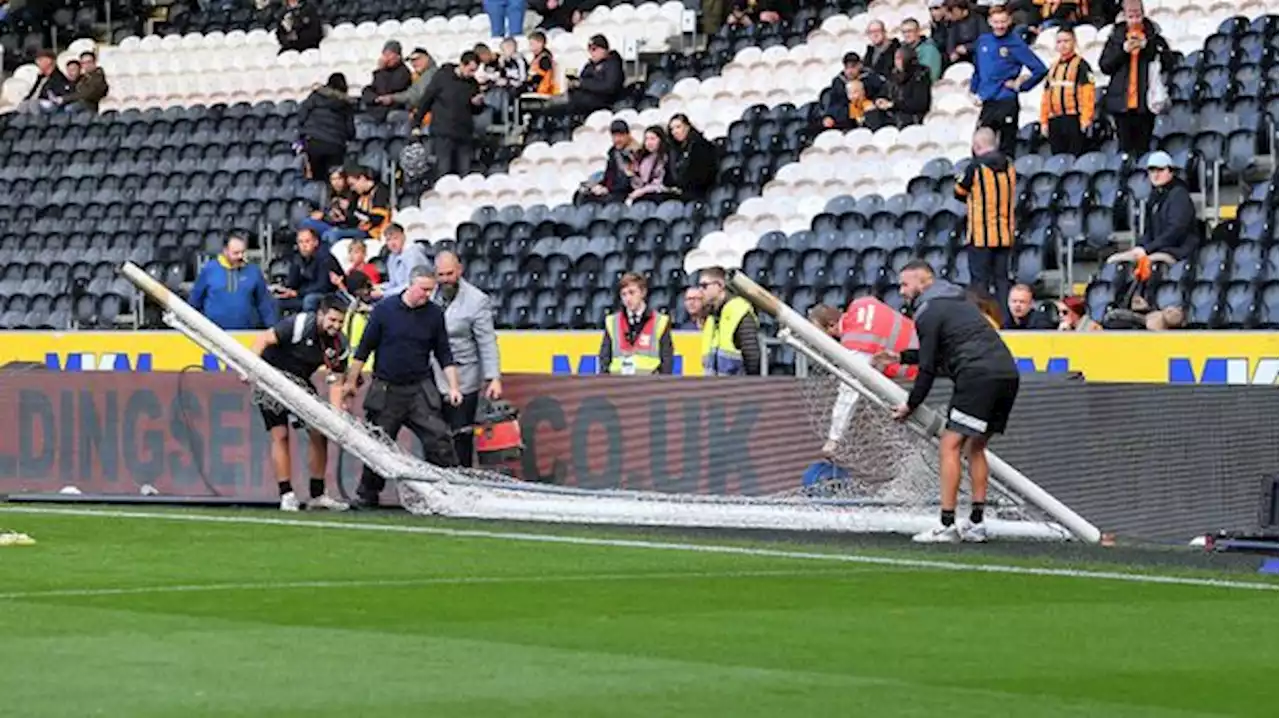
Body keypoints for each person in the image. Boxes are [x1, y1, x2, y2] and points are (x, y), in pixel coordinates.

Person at [877, 261, 1020, 544]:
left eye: (905, 285)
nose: (902, 292)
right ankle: (977, 523)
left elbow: (929, 367)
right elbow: (943, 353)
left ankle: (946, 523)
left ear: (923, 282)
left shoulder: (928, 311)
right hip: (1007, 374)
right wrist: (901, 357)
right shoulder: (960, 303)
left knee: (949, 445)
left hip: (976, 376)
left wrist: (911, 404)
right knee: (976, 446)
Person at [344, 266, 463, 509]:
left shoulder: (434, 314)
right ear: (410, 285)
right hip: (387, 388)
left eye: (431, 290)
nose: (427, 295)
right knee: (378, 444)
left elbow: (444, 353)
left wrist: (454, 386)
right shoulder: (384, 311)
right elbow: (364, 349)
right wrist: (350, 383)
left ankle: (448, 491)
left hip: (419, 387)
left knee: (439, 438)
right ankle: (368, 494)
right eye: (423, 289)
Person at [248, 295, 352, 512]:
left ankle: (317, 494)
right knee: (280, 434)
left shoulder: (339, 343)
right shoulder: (299, 324)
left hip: (300, 382)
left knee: (320, 431)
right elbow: (264, 339)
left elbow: (336, 382)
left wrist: (335, 414)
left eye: (340, 322)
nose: (336, 326)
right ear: (321, 314)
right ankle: (286, 494)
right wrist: (251, 367)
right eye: (332, 320)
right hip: (271, 377)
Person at [819, 297, 919, 458]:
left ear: (831, 325)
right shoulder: (862, 303)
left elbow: (848, 393)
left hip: (922, 366)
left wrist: (834, 439)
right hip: (927, 341)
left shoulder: (854, 342)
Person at [431, 251, 503, 466]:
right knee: (434, 436)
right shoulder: (428, 294)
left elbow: (487, 342)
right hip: (432, 376)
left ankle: (463, 480)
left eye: (449, 273)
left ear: (459, 270)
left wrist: (493, 377)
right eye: (441, 274)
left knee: (461, 436)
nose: (445, 279)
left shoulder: (477, 300)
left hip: (464, 379)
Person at [969, 7, 1046, 157]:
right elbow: (978, 69)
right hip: (988, 102)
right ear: (990, 22)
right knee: (979, 146)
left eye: (1003, 21)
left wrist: (1021, 85)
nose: (1000, 26)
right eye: (996, 22)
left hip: (1006, 101)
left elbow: (1040, 69)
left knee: (1006, 148)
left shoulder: (1015, 43)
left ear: (1010, 21)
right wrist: (973, 90)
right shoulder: (983, 41)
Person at [1098, 0, 1171, 159]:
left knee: (1143, 149)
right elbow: (1104, 66)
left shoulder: (1154, 36)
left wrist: (1148, 47)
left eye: (1138, 15)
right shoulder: (1115, 38)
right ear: (1124, 16)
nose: (1135, 20)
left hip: (1145, 103)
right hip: (1121, 104)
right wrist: (1123, 50)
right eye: (1131, 16)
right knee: (1124, 150)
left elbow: (1169, 62)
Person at [956, 127, 1016, 316]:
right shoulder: (1009, 165)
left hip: (981, 234)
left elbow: (959, 192)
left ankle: (982, 320)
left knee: (979, 283)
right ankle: (1005, 319)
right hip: (1004, 233)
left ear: (976, 146)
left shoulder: (975, 167)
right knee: (1002, 281)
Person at [1105, 151, 1198, 266]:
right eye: (1152, 171)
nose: (1155, 175)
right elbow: (1149, 230)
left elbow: (1175, 231)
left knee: (1147, 262)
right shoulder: (1155, 196)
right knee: (1114, 260)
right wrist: (1141, 247)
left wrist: (1148, 249)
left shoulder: (1180, 195)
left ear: (1171, 172)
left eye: (1160, 170)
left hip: (1178, 251)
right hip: (1157, 248)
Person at [414, 51, 486, 179]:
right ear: (462, 65)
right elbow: (427, 99)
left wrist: (477, 104)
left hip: (464, 133)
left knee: (464, 173)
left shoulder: (472, 84)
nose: (472, 74)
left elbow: (476, 111)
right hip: (443, 132)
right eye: (470, 70)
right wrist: (416, 122)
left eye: (474, 71)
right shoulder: (442, 77)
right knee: (444, 171)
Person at [189, 235, 279, 330]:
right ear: (225, 251)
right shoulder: (209, 270)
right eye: (236, 253)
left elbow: (264, 303)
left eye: (243, 252)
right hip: (214, 333)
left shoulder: (254, 271)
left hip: (247, 333)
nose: (240, 256)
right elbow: (195, 301)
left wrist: (272, 328)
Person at [599, 272, 675, 375]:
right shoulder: (612, 322)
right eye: (624, 294)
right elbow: (604, 360)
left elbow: (667, 361)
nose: (628, 299)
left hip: (649, 385)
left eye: (632, 292)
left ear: (643, 293)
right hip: (618, 385)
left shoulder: (660, 321)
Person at [1039, 27, 1096, 157]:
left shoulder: (1081, 65)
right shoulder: (1053, 67)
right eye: (1059, 41)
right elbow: (1046, 97)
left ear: (1074, 42)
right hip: (1055, 119)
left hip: (1074, 118)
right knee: (1058, 157)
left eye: (1066, 41)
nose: (1063, 45)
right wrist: (1044, 121)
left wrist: (1086, 119)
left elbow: (1089, 94)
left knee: (1075, 156)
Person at [698, 267, 761, 376]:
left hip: (737, 388)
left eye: (704, 286)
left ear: (720, 286)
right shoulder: (712, 317)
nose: (700, 291)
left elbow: (752, 359)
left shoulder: (739, 311)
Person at [298, 73, 356, 180]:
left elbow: (301, 117)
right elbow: (350, 131)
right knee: (333, 179)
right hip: (335, 145)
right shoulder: (346, 103)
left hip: (314, 142)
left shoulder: (315, 96)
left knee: (316, 178)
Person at [276, 228, 342, 313]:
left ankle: (308, 325)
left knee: (310, 299)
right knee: (276, 302)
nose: (304, 245)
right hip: (303, 294)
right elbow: (292, 283)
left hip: (328, 296)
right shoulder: (298, 257)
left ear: (315, 242)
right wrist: (284, 290)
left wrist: (298, 293)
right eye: (300, 242)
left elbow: (322, 286)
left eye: (307, 241)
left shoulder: (325, 258)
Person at [576, 119, 637, 204]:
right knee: (581, 195)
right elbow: (609, 175)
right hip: (612, 189)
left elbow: (628, 181)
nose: (617, 139)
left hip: (624, 192)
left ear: (628, 135)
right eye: (615, 136)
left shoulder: (633, 153)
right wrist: (599, 186)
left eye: (620, 136)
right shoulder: (613, 152)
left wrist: (608, 189)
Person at [873, 46, 932, 129]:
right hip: (892, 115)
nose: (896, 62)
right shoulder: (893, 75)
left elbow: (919, 103)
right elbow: (884, 91)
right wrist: (879, 99)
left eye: (899, 59)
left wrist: (893, 105)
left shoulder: (920, 76)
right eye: (896, 59)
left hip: (911, 117)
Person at [667, 114, 717, 201]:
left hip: (700, 193)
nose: (674, 131)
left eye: (678, 127)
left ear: (687, 127)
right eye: (672, 129)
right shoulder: (674, 150)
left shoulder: (700, 145)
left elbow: (704, 174)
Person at [361, 41, 413, 122]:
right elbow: (375, 87)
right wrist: (375, 98)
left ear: (398, 56)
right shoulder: (384, 71)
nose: (386, 58)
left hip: (392, 106)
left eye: (389, 55)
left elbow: (386, 90)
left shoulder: (403, 72)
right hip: (378, 105)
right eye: (384, 55)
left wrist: (380, 70)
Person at [378, 223, 431, 297]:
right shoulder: (392, 257)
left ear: (403, 237)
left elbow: (410, 285)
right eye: (388, 240)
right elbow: (393, 284)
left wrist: (383, 294)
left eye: (395, 238)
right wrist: (378, 287)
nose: (392, 243)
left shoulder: (413, 253)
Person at [627, 126, 675, 204]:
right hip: (642, 193)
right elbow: (640, 182)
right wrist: (632, 175)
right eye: (646, 139)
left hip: (658, 194)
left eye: (652, 139)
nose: (649, 142)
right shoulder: (642, 158)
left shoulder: (665, 157)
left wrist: (642, 191)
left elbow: (660, 183)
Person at [901, 18, 942, 83]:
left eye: (910, 31)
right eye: (904, 32)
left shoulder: (929, 50)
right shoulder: (902, 50)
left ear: (918, 31)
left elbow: (931, 75)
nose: (906, 35)